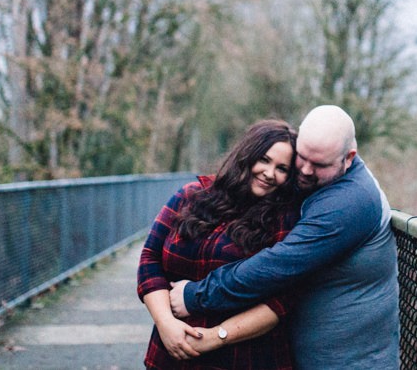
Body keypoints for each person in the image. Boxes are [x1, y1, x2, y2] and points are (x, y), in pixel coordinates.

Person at [169, 105, 400, 369]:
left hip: (348, 363)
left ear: (348, 158)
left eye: (320, 164)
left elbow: (277, 266)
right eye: (302, 157)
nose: (305, 171)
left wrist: (196, 295)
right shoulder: (321, 181)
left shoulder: (349, 202)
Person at [137, 119, 301, 369]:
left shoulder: (284, 220)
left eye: (282, 169)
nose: (269, 174)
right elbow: (150, 259)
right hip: (172, 352)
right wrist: (165, 324)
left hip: (244, 358)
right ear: (246, 156)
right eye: (264, 160)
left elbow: (281, 301)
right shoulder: (191, 195)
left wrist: (218, 336)